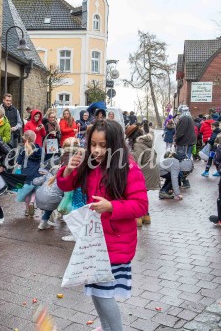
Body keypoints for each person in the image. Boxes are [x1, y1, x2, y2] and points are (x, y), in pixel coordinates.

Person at [56, 119, 148, 331]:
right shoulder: (90, 165)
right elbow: (67, 185)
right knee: (98, 293)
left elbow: (141, 205)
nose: (96, 150)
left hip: (115, 244)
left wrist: (112, 207)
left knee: (104, 295)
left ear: (115, 145)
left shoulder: (129, 168)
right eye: (93, 144)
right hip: (95, 242)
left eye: (103, 145)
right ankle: (107, 327)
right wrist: (68, 171)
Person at [126, 125, 160, 226]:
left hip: (145, 174)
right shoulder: (146, 142)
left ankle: (138, 218)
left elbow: (135, 159)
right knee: (143, 195)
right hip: (151, 172)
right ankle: (146, 216)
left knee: (138, 195)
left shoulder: (138, 144)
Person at [16, 130, 43, 217]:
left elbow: (19, 161)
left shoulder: (23, 149)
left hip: (26, 173)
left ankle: (27, 209)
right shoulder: (39, 148)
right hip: (36, 172)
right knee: (35, 189)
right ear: (34, 138)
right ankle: (32, 202)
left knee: (27, 191)